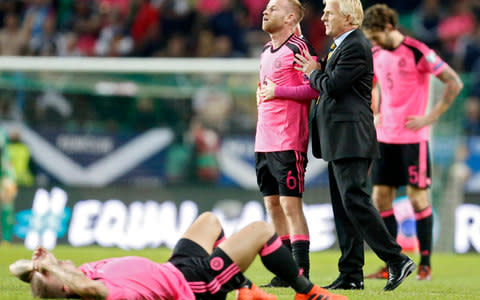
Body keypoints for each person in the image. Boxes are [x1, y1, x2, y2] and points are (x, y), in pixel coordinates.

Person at [293, 0, 415, 291]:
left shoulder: (356, 45)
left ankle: (396, 259)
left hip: (351, 136)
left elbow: (333, 85)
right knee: (343, 206)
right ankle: (351, 274)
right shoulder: (340, 45)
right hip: (338, 137)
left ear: (347, 16)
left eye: (328, 12)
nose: (322, 16)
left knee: (354, 200)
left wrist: (313, 72)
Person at [10, 212, 348, 300]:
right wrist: (51, 268)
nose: (56, 263)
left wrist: (41, 266)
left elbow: (19, 270)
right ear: (67, 287)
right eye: (54, 270)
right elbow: (90, 290)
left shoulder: (80, 272)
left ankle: (244, 288)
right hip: (194, 284)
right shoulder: (103, 292)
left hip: (176, 266)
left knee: (209, 221)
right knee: (260, 230)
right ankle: (307, 291)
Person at [361, 4, 464, 281]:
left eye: (375, 36)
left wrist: (430, 117)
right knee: (380, 198)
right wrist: (375, 113)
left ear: (388, 28)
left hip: (412, 139)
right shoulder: (376, 54)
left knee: (418, 199)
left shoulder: (418, 51)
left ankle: (425, 265)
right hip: (385, 137)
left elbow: (453, 82)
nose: (373, 42)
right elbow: (371, 85)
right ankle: (392, 263)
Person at [255, 0, 320, 287]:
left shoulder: (298, 48)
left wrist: (277, 91)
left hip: (288, 138)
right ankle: (284, 272)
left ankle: (301, 271)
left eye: (274, 8)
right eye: (266, 7)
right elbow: (265, 91)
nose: (266, 11)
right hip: (264, 140)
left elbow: (316, 87)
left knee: (290, 205)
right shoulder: (265, 52)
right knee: (272, 204)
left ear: (291, 17)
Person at [0, 127, 17, 246]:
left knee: (7, 208)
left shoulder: (6, 159)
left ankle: (6, 239)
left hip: (5, 180)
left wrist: (9, 185)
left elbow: (9, 170)